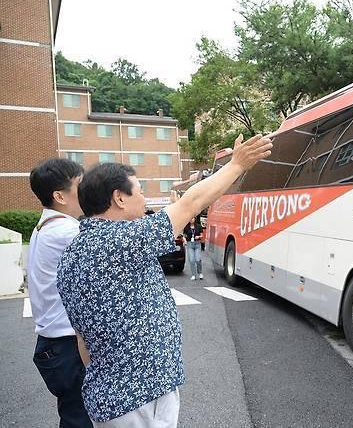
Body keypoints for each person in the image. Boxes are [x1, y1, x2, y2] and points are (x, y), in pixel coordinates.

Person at [56, 134, 272, 427]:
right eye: (139, 191)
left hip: (112, 397)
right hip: (139, 400)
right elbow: (191, 203)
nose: (145, 200)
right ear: (119, 198)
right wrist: (236, 164)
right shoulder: (120, 240)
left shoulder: (72, 255)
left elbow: (83, 340)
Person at [27, 158, 93, 428]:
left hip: (54, 345)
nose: (88, 190)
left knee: (75, 414)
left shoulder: (46, 227)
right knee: (82, 419)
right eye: (81, 185)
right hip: (67, 346)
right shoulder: (66, 231)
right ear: (59, 196)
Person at [183, 216, 203, 280]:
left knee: (198, 259)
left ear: (195, 219)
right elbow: (184, 236)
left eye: (192, 218)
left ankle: (200, 273)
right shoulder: (186, 227)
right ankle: (193, 275)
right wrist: (185, 241)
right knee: (191, 260)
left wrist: (199, 236)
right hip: (189, 244)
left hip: (197, 244)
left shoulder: (198, 226)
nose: (191, 220)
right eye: (190, 218)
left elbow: (202, 235)